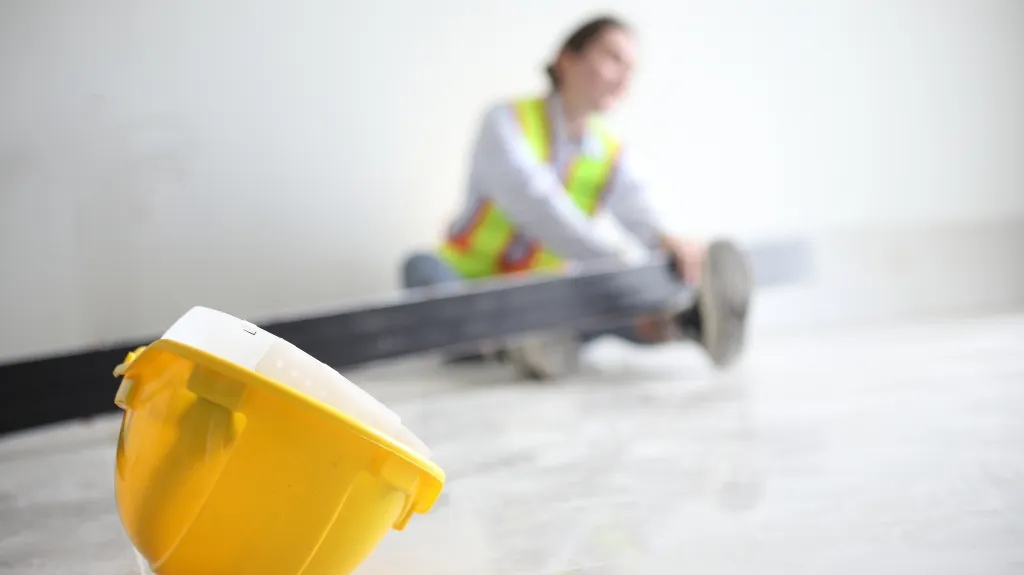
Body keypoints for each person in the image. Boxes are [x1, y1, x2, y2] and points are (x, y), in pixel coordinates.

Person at [401, 14, 751, 372]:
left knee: (594, 296)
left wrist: (670, 243)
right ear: (566, 58)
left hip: (544, 295)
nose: (625, 77)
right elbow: (539, 207)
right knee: (422, 268)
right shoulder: (507, 122)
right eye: (614, 59)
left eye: (632, 68)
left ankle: (685, 323)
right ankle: (512, 344)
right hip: (474, 283)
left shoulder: (610, 152)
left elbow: (640, 209)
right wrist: (621, 268)